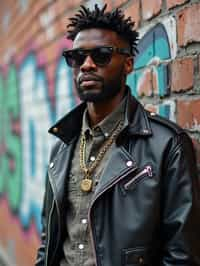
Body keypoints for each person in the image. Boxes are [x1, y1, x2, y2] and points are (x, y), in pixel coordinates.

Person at [35, 4, 200, 266]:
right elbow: (49, 241)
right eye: (77, 57)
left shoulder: (167, 145)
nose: (86, 65)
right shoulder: (63, 146)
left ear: (128, 64)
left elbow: (181, 255)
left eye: (101, 55)